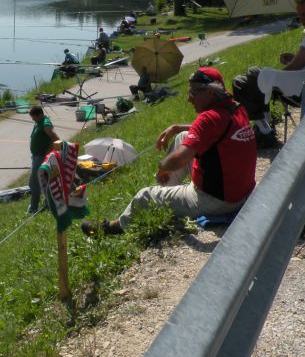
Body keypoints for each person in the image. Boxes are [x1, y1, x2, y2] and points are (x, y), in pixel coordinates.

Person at [83, 68, 256, 235]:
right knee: (183, 136)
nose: (189, 99)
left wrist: (163, 166)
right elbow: (215, 130)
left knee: (145, 195)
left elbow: (181, 158)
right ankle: (165, 191)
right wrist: (176, 127)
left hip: (217, 200)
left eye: (193, 92)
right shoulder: (236, 108)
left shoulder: (208, 118)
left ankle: (114, 227)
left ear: (209, 93)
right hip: (240, 192)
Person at [232, 0, 305, 145]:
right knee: (254, 74)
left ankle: (264, 128)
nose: (301, 19)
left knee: (242, 80)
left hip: (303, 87)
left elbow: (297, 65)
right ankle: (265, 124)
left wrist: (278, 75)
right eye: (299, 15)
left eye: (304, 14)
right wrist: (293, 59)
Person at [27, 105, 60, 214]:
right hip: (36, 157)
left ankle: (33, 207)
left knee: (34, 183)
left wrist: (47, 152)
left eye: (34, 117)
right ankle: (49, 202)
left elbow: (55, 138)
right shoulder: (39, 123)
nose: (33, 120)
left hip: (41, 157)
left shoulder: (45, 124)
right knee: (45, 181)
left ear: (40, 114)